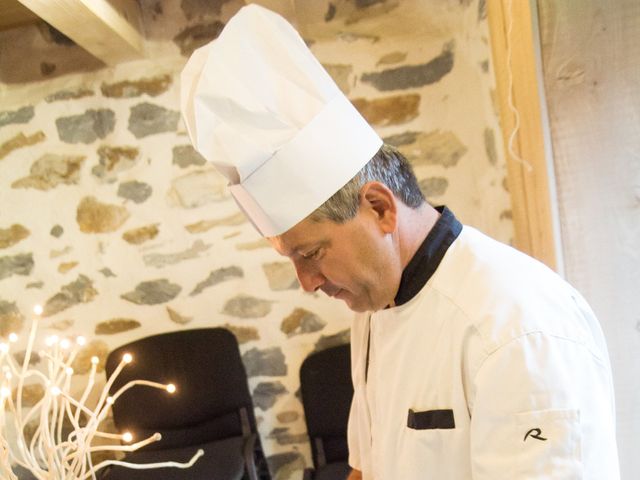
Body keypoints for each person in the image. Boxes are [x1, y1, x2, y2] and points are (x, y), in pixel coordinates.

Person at [180, 5, 620, 479]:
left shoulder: (519, 328)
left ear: (380, 208)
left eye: (310, 254)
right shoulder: (374, 306)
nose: (307, 283)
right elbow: (366, 467)